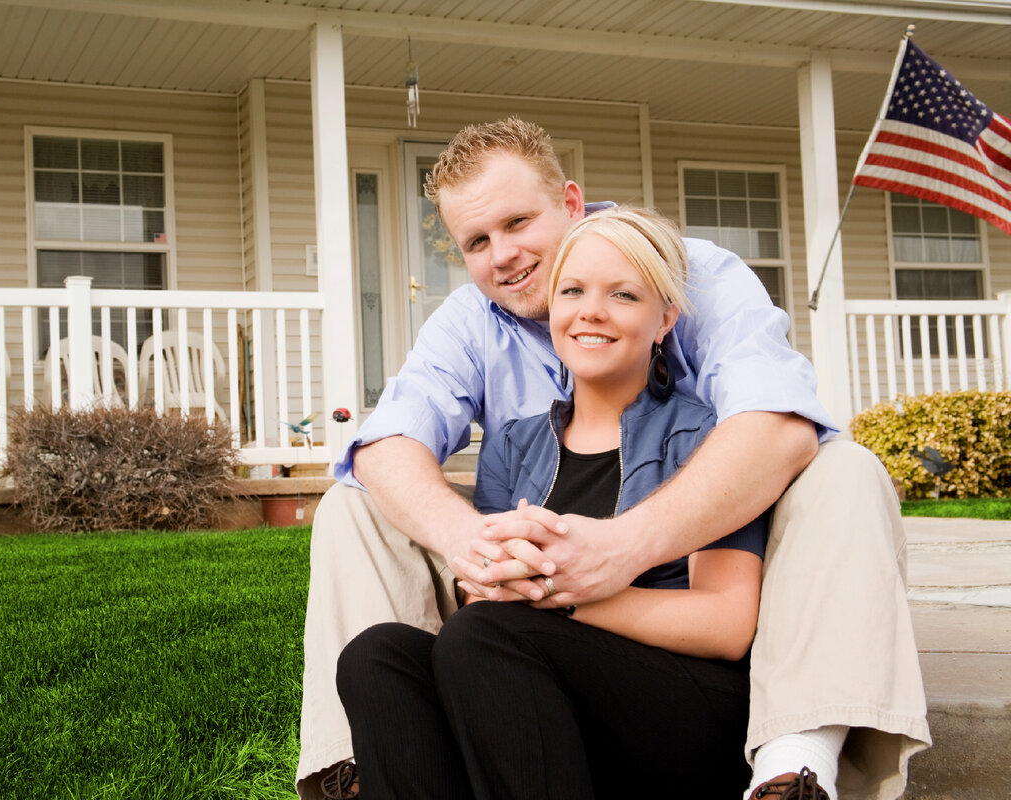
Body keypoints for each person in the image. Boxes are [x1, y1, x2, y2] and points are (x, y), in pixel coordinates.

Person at [297, 118, 929, 800]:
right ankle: (362, 764)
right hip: (523, 637)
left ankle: (791, 764)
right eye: (477, 241)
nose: (503, 255)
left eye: (517, 222)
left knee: (845, 470)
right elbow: (388, 443)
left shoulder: (695, 280)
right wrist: (474, 548)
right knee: (355, 513)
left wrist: (608, 560)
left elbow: (776, 427)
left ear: (570, 204)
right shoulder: (484, 356)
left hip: (678, 623)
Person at [337, 205, 769, 798]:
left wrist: (562, 599)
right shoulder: (514, 443)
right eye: (573, 290)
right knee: (378, 655)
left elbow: (727, 624)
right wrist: (502, 592)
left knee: (483, 634)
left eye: (623, 294)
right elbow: (482, 599)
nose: (591, 310)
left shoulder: (704, 440)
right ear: (553, 309)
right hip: (537, 686)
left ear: (665, 319)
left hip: (686, 704)